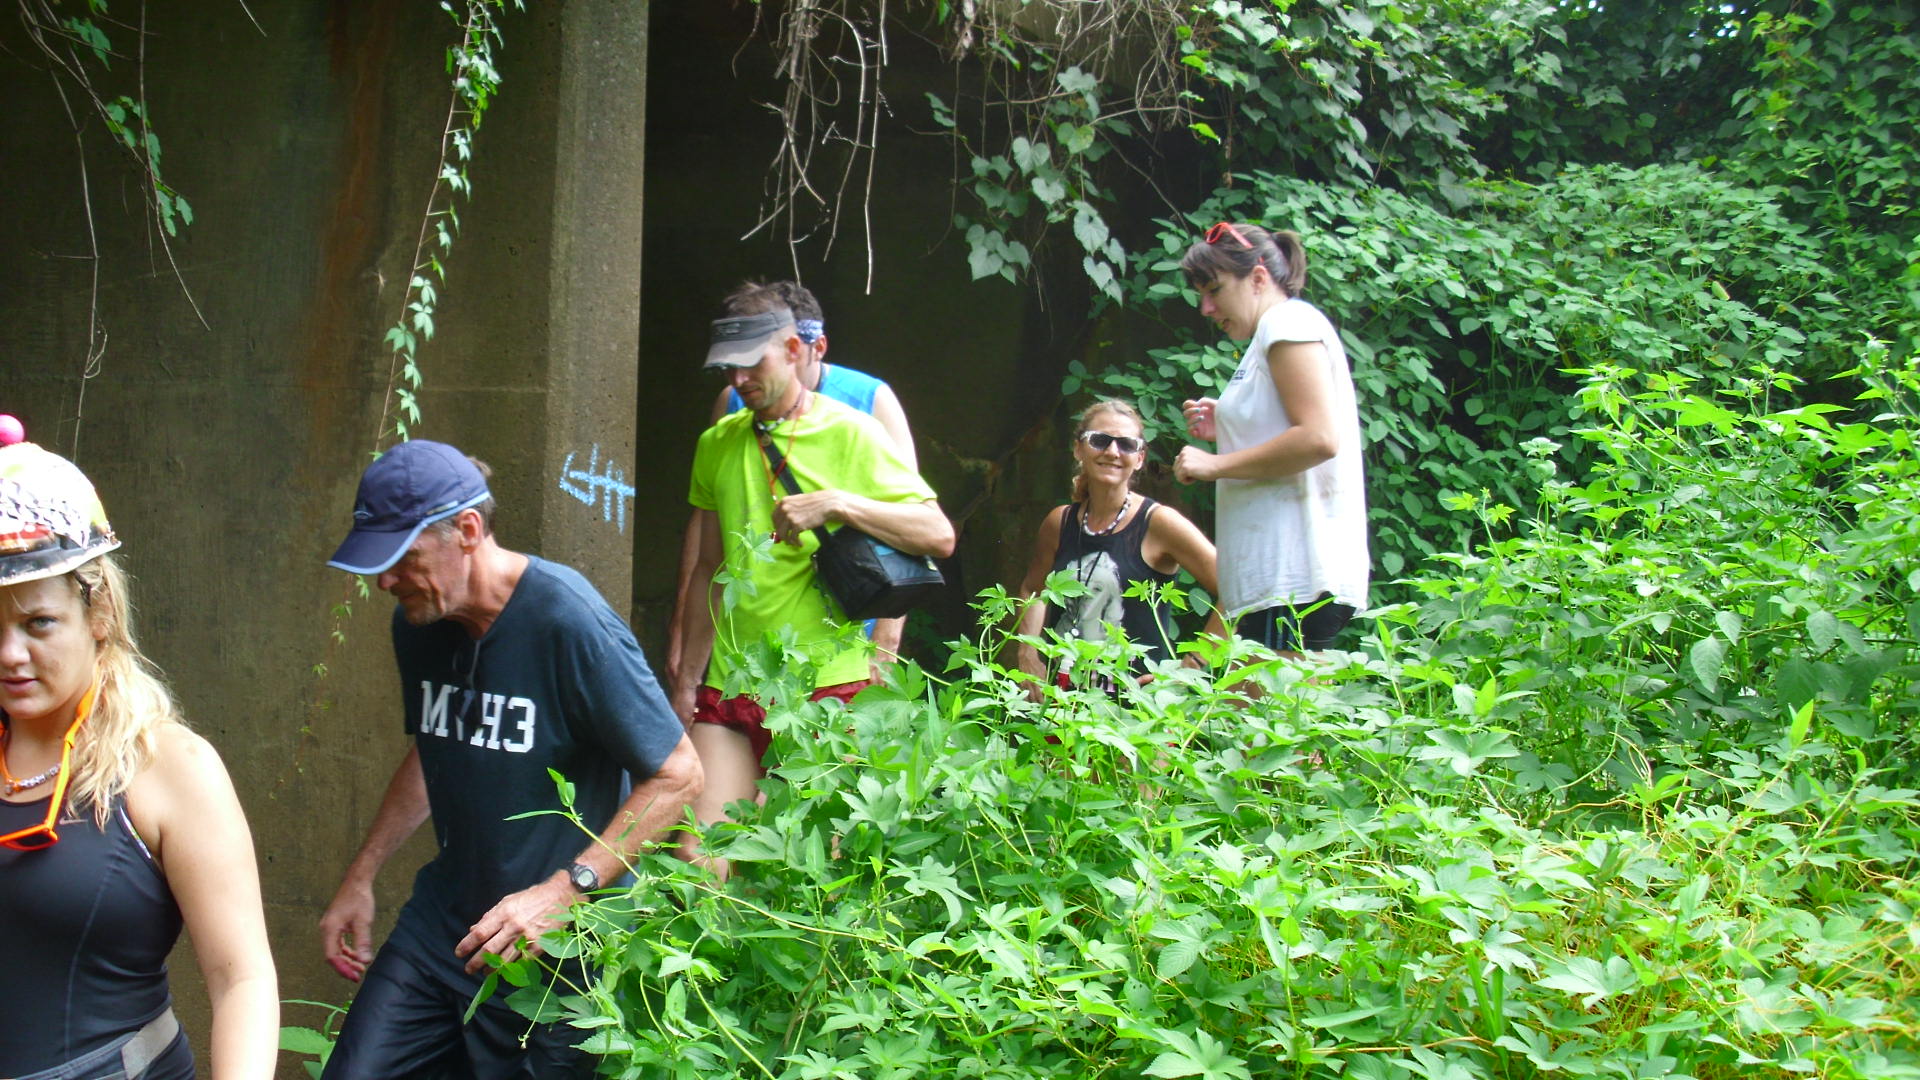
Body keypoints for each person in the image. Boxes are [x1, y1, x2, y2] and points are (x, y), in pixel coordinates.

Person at [316, 440, 702, 1080]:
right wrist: (362, 874)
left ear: (468, 531)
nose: (385, 582)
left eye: (403, 558)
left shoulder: (568, 622)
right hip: (443, 928)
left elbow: (678, 776)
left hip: (556, 954)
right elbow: (436, 746)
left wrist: (561, 894)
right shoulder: (420, 621)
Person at [0, 429, 278, 1079]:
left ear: (97, 612)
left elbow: (240, 977)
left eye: (38, 623)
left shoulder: (167, 767)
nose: (10, 654)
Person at [673, 300, 954, 877]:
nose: (738, 379)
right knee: (698, 859)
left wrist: (838, 504)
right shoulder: (717, 440)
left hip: (824, 685)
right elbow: (708, 567)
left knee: (813, 868)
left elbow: (938, 534)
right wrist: (685, 679)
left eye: (752, 363)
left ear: (794, 349)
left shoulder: (852, 430)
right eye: (728, 367)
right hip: (732, 677)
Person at [665, 280, 918, 688]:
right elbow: (710, 532)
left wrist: (885, 643)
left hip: (846, 626)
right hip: (746, 642)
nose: (743, 377)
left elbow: (910, 525)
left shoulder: (869, 403)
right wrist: (683, 633)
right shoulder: (735, 402)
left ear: (806, 348)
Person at [1171, 222, 1369, 653]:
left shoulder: (1287, 322)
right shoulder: (1272, 332)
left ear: (1258, 277)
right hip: (1277, 583)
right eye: (1200, 294)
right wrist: (1230, 421)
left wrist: (1215, 465)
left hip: (1292, 579)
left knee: (1277, 699)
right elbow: (1290, 426)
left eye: (1215, 290)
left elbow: (1318, 438)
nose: (1206, 308)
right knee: (1251, 699)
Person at [1015, 400, 1224, 687]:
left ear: (1139, 458)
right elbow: (1033, 590)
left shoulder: (1159, 523)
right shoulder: (1059, 522)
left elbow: (1236, 593)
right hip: (1057, 700)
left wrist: (1191, 667)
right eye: (1100, 440)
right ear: (1078, 449)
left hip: (1136, 705)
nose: (1113, 452)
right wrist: (1027, 653)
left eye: (1126, 444)